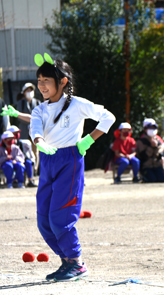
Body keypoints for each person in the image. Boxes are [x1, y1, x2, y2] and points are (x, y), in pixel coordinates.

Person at [30, 54, 115, 281]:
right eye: (39, 80)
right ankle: (66, 261)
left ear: (63, 82)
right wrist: (40, 142)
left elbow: (108, 117)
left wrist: (88, 140)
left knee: (61, 216)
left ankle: (77, 264)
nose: (41, 85)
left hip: (70, 159)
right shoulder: (39, 109)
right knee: (43, 219)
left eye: (46, 80)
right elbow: (35, 129)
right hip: (47, 160)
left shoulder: (77, 104)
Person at [136, 118, 164, 183]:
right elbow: (144, 156)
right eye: (150, 128)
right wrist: (151, 147)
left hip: (156, 165)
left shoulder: (158, 140)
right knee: (152, 180)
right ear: (145, 129)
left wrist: (156, 147)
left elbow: (159, 155)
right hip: (146, 166)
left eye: (154, 128)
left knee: (161, 180)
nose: (152, 130)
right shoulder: (141, 141)